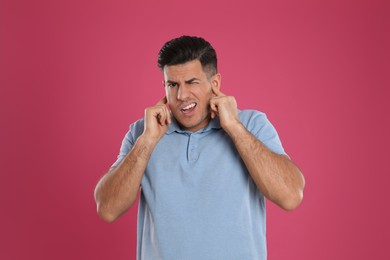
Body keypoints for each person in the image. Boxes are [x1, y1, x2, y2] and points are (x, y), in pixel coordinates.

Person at [94, 35, 305, 260]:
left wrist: (234, 127)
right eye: (172, 84)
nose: (181, 95)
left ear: (214, 84)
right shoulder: (143, 132)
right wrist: (147, 142)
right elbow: (107, 209)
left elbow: (290, 196)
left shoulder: (252, 124)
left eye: (191, 82)